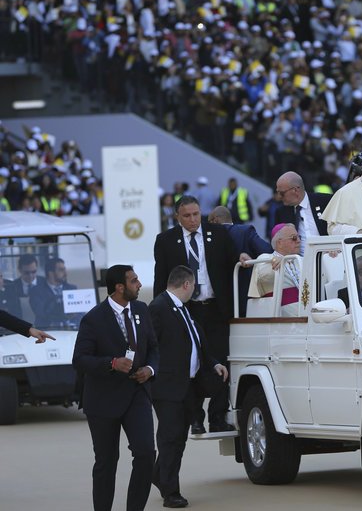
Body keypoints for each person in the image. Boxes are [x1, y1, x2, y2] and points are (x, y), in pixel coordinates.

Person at [72, 265, 158, 511]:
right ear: (120, 287)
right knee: (106, 463)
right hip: (103, 400)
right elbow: (80, 360)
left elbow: (153, 348)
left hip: (137, 394)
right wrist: (111, 363)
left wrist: (150, 370)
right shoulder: (93, 319)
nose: (139, 284)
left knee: (145, 455)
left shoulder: (142, 310)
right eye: (134, 281)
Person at [153, 195, 238, 434]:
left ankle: (218, 416)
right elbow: (161, 280)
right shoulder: (166, 241)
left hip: (215, 309)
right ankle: (196, 417)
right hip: (185, 313)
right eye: (187, 216)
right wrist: (159, 314)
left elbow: (234, 261)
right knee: (191, 363)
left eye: (196, 214)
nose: (193, 220)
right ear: (177, 217)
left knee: (221, 361)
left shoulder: (219, 234)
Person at [149, 265, 229, 508]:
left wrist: (212, 362)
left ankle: (160, 475)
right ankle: (170, 492)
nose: (195, 289)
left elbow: (196, 340)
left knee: (179, 438)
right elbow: (149, 345)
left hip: (187, 385)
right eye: (194, 285)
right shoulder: (159, 307)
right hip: (167, 386)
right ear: (186, 284)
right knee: (170, 438)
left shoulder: (183, 309)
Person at [208, 205, 272, 317]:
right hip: (245, 296)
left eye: (209, 222)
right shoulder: (245, 231)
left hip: (215, 301)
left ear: (215, 220)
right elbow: (266, 251)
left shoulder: (208, 237)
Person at [247, 224, 303, 315]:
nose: (299, 241)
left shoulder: (300, 260)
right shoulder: (265, 258)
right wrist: (281, 262)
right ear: (279, 243)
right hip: (279, 318)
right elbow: (265, 277)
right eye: (294, 238)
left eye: (299, 237)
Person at [273, 171, 332, 254]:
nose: (279, 197)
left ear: (295, 190)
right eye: (278, 193)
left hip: (330, 257)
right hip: (299, 262)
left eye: (282, 193)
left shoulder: (325, 201)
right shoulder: (281, 212)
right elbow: (278, 241)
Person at [29, 257, 80, 328]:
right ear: (51, 273)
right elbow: (42, 313)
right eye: (61, 270)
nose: (65, 273)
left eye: (64, 269)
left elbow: (79, 314)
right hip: (46, 331)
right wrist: (65, 314)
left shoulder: (72, 289)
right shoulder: (36, 291)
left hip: (71, 329)